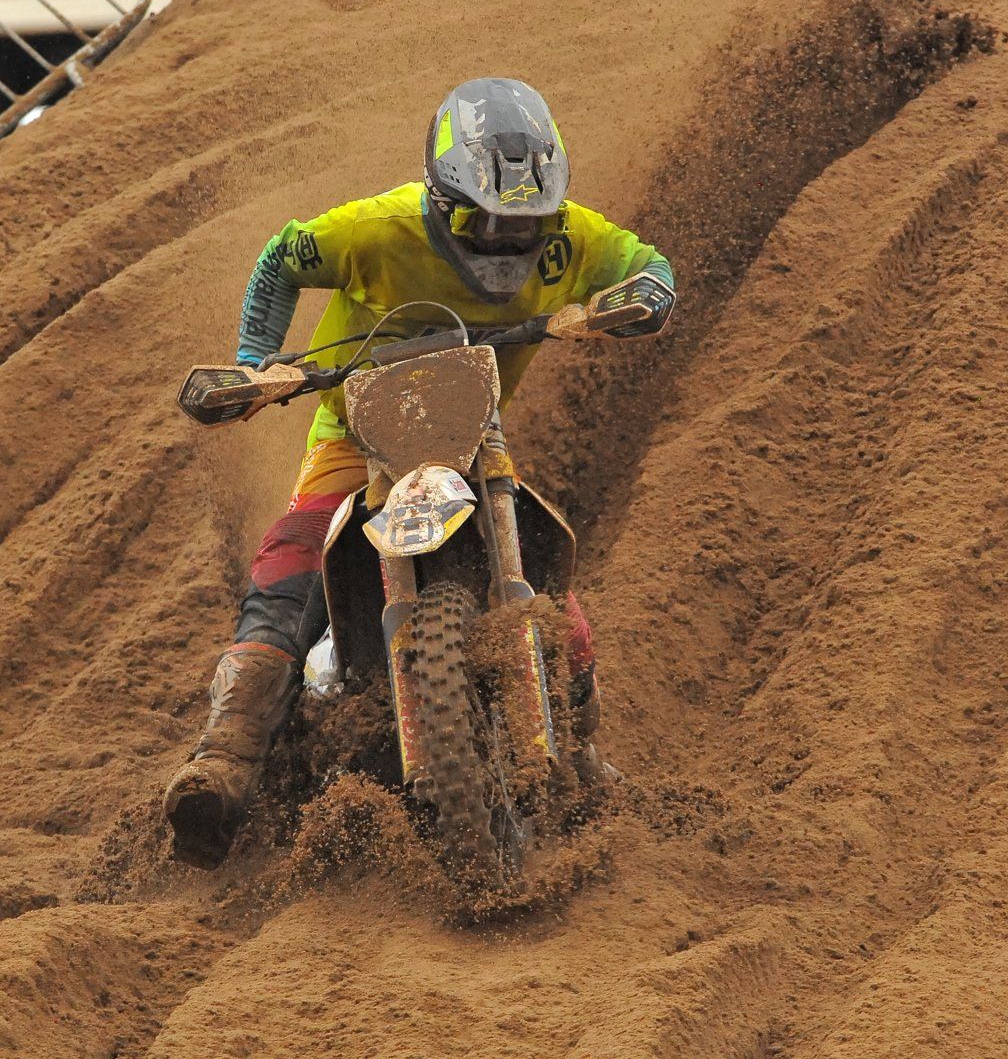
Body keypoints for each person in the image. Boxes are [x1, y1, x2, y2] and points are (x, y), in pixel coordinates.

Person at [163, 77, 677, 868]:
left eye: (527, 226)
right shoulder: (376, 229)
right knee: (293, 563)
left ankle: (581, 757)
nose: (508, 242)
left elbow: (648, 264)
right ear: (440, 201)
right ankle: (225, 762)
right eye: (486, 220)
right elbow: (279, 259)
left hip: (475, 431)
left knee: (557, 592)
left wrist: (646, 294)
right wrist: (256, 366)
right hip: (357, 426)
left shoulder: (575, 237)